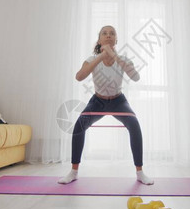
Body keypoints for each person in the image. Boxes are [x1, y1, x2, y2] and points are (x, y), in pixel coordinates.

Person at [58, 25, 154, 185]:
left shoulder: (123, 60)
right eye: (104, 33)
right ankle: (73, 171)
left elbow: (136, 77)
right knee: (79, 126)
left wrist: (114, 56)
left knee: (134, 125)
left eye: (112, 33)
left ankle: (140, 172)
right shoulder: (91, 60)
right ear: (99, 39)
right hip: (98, 101)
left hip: (118, 101)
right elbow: (79, 77)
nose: (108, 35)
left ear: (116, 39)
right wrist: (102, 56)